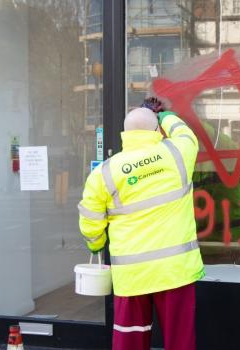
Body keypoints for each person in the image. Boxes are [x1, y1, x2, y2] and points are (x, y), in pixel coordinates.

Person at [78, 105, 204, 350]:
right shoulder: (177, 153)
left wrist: (95, 243)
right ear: (157, 130)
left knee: (130, 341)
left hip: (131, 275)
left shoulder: (104, 172)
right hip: (175, 272)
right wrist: (166, 115)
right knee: (180, 340)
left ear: (125, 134)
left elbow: (90, 220)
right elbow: (185, 133)